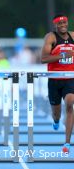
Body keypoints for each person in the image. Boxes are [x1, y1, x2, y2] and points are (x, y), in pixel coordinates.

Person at [41, 14, 74, 153]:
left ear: (67, 23)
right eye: (59, 24)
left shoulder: (73, 35)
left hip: (70, 78)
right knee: (56, 113)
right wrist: (62, 55)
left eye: (64, 23)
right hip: (54, 79)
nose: (62, 25)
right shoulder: (51, 37)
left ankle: (67, 143)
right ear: (55, 25)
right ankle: (55, 120)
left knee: (70, 104)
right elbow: (43, 59)